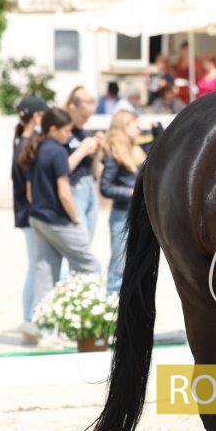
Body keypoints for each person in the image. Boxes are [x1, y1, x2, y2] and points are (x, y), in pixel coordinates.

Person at [20, 107, 102, 311]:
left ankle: (42, 321)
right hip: (57, 219)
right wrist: (76, 219)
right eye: (66, 130)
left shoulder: (35, 148)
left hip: (37, 217)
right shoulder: (57, 152)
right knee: (90, 265)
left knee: (46, 270)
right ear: (53, 129)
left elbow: (29, 191)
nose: (69, 135)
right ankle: (86, 314)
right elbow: (64, 192)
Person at [11, 94, 49, 344]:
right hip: (30, 212)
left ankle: (30, 317)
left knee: (34, 265)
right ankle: (30, 318)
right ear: (36, 117)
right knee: (37, 266)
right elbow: (28, 187)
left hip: (24, 211)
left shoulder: (20, 140)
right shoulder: (26, 144)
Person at [101, 110, 145, 294]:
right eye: (135, 126)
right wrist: (131, 193)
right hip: (121, 215)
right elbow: (105, 187)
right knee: (118, 263)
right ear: (124, 127)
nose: (139, 129)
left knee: (135, 261)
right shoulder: (114, 154)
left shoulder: (136, 150)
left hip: (136, 214)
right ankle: (111, 298)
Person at [64, 86, 104, 243]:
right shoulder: (62, 133)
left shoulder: (83, 133)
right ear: (71, 108)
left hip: (90, 187)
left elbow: (94, 170)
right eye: (83, 116)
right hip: (74, 188)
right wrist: (83, 150)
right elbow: (60, 169)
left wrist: (98, 151)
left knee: (88, 241)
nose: (86, 120)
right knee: (79, 241)